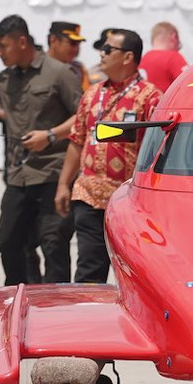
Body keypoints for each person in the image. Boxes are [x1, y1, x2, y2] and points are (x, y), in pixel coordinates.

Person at [0, 14, 82, 286]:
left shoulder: (58, 72)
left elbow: (83, 116)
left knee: (53, 245)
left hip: (53, 172)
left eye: (3, 47)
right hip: (19, 174)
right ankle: (19, 296)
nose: (0, 53)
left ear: (21, 41)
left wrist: (50, 135)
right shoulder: (6, 78)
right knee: (9, 240)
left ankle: (55, 308)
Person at [54, 28, 161, 284]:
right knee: (88, 270)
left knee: (135, 275)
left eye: (108, 50)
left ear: (127, 57)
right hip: (88, 195)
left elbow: (158, 150)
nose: (101, 54)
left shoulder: (150, 97)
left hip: (130, 201)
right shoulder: (92, 94)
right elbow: (77, 140)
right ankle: (87, 322)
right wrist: (63, 185)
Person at [139, 21, 188, 93]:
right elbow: (189, 82)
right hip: (165, 102)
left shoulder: (143, 58)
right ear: (173, 37)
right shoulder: (173, 57)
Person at [48, 21, 90, 93]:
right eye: (72, 43)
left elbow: (86, 97)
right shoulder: (37, 67)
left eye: (78, 44)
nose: (76, 49)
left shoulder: (79, 69)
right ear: (53, 40)